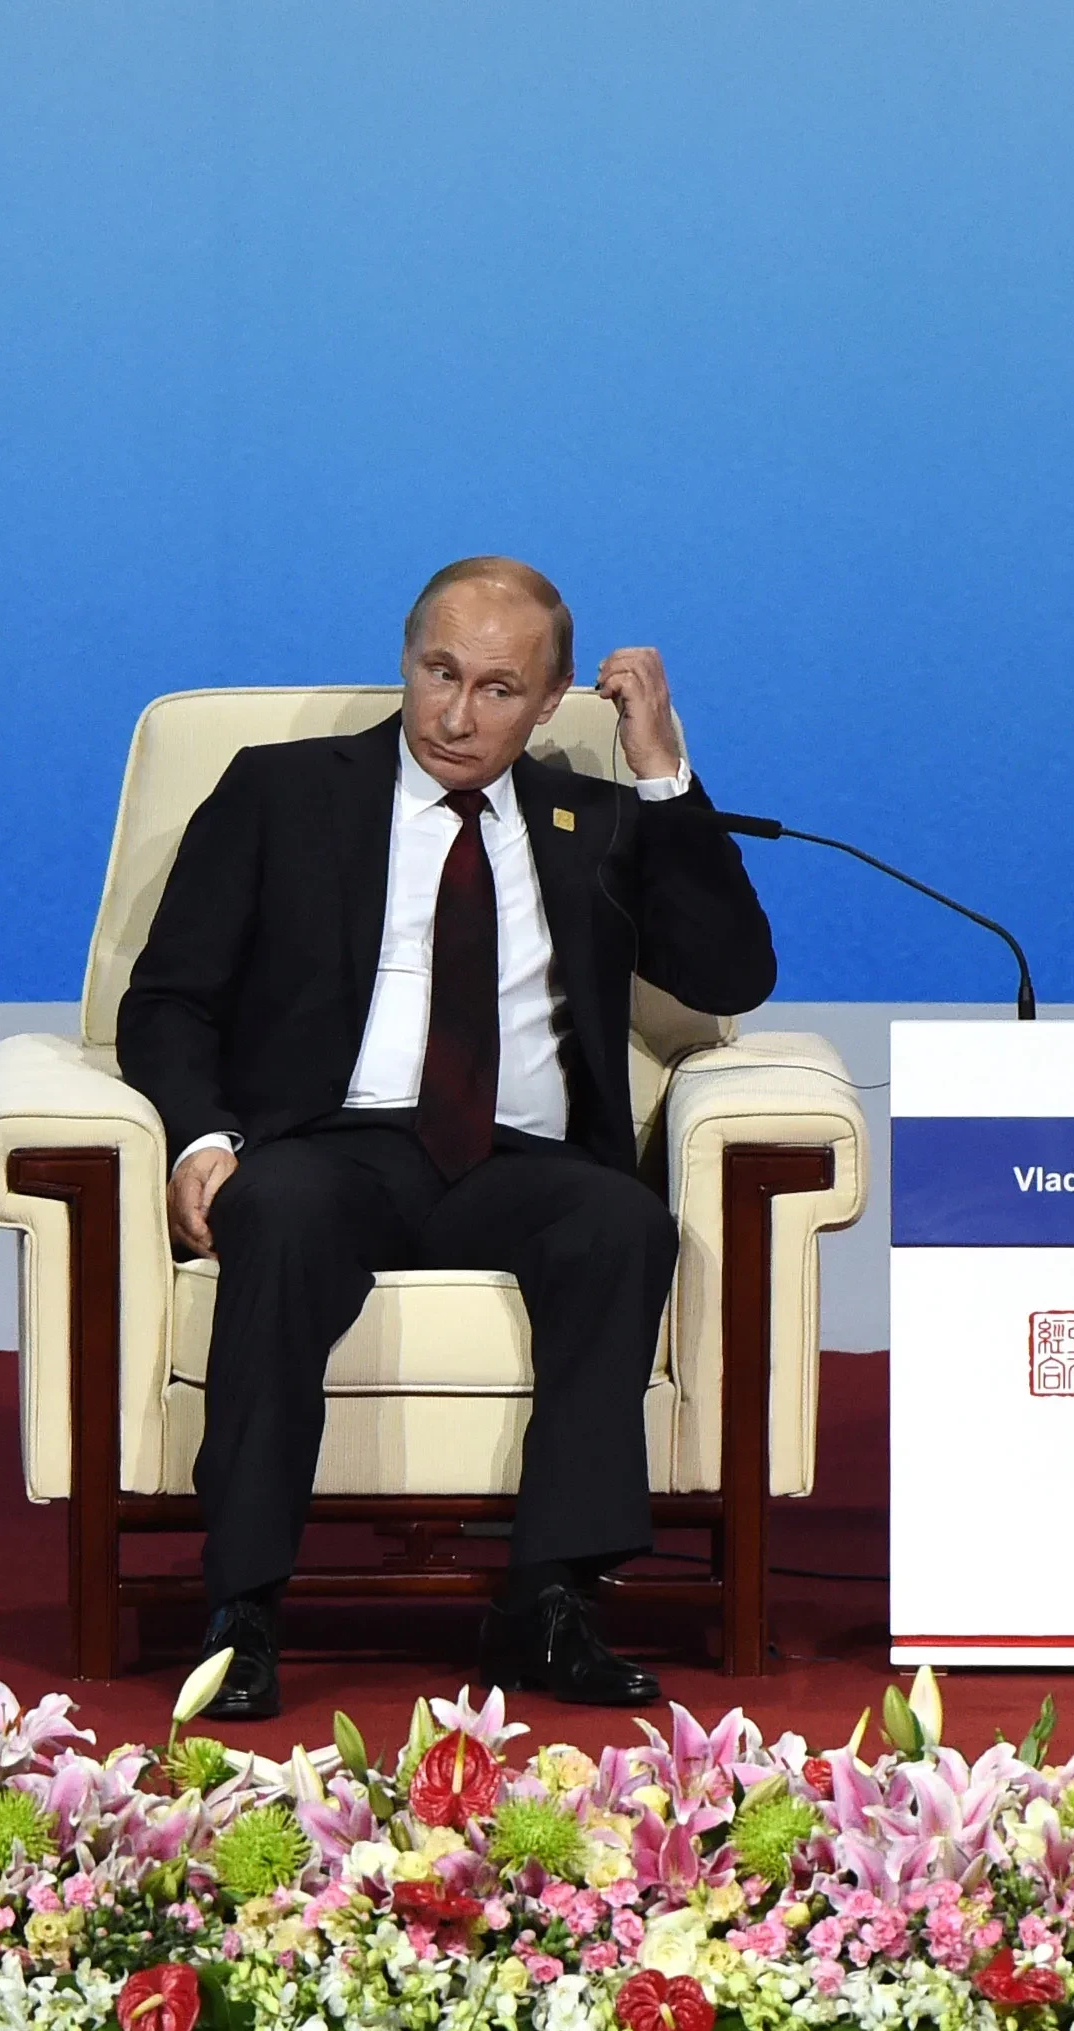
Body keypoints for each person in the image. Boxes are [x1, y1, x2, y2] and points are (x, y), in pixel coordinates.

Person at [119, 557, 777, 1719]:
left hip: (521, 1160)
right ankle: (245, 1609)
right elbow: (169, 998)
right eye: (439, 673)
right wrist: (201, 1138)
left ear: (553, 699)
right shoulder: (281, 791)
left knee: (621, 1223)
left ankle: (550, 1600)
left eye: (498, 688)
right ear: (407, 658)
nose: (457, 715)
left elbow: (732, 974)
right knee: (277, 1209)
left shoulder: (593, 819)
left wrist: (664, 772)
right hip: (333, 1144)